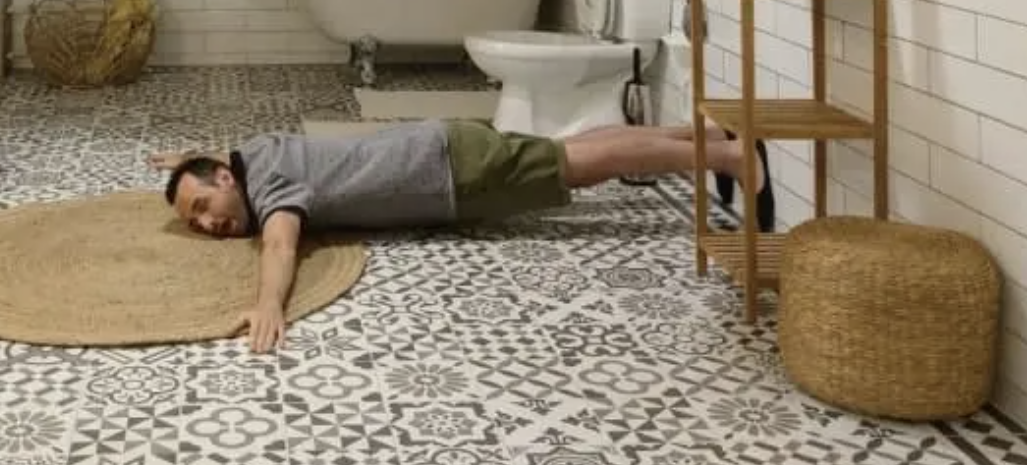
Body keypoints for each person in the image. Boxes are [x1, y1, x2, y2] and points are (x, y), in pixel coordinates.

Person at [150, 116, 774, 353]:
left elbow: (281, 243)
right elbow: (218, 161)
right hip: (443, 145)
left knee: (582, 165)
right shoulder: (254, 152)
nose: (208, 223)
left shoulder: (271, 185)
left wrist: (268, 304)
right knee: (569, 150)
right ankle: (705, 137)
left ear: (226, 177)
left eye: (204, 206)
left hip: (451, 170)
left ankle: (730, 156)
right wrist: (184, 164)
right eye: (195, 222)